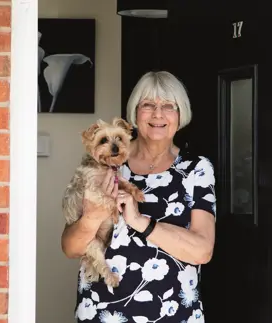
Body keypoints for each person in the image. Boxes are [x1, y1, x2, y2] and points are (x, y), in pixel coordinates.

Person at [61, 71, 216, 323]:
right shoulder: (106, 160)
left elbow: (202, 251)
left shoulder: (196, 169)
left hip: (172, 312)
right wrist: (92, 217)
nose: (158, 114)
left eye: (168, 106)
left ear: (180, 114)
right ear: (135, 112)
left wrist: (139, 221)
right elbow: (70, 248)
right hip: (103, 311)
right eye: (148, 105)